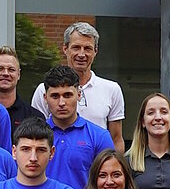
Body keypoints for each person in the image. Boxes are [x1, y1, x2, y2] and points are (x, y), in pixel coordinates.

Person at [31, 22, 126, 152]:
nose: (81, 54)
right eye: (76, 47)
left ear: (95, 51)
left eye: (87, 48)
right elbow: (35, 134)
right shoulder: (44, 89)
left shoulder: (112, 89)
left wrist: (116, 164)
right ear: (65, 49)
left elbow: (116, 139)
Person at [40, 65, 114, 189]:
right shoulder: (34, 136)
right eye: (55, 96)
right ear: (45, 98)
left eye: (67, 95)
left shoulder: (99, 136)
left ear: (79, 95)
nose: (61, 103)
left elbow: (110, 183)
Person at [0, 46, 45, 134]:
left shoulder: (34, 117)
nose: (6, 73)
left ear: (18, 75)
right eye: (0, 69)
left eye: (11, 70)